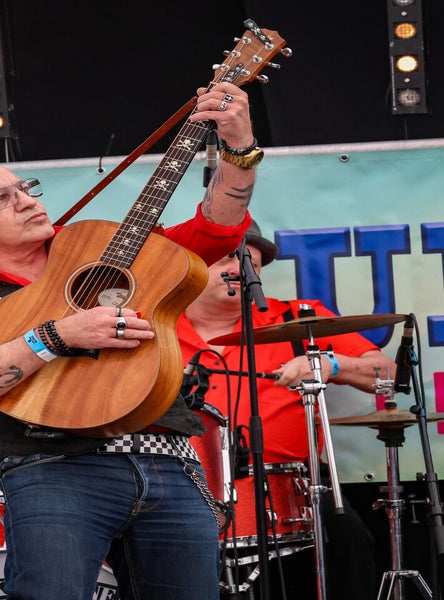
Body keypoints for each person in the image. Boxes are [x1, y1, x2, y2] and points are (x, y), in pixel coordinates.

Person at [0, 82, 261, 599]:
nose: (26, 201)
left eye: (24, 187)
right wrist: (55, 336)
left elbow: (214, 233)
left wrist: (240, 149)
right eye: (1, 199)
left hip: (170, 460)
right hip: (53, 470)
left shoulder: (100, 247)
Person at [177, 220, 395, 599]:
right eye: (226, 258)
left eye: (251, 264)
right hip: (178, 485)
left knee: (347, 536)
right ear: (191, 265)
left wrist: (329, 364)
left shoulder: (297, 320)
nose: (239, 269)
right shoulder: (153, 326)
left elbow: (388, 375)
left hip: (292, 489)